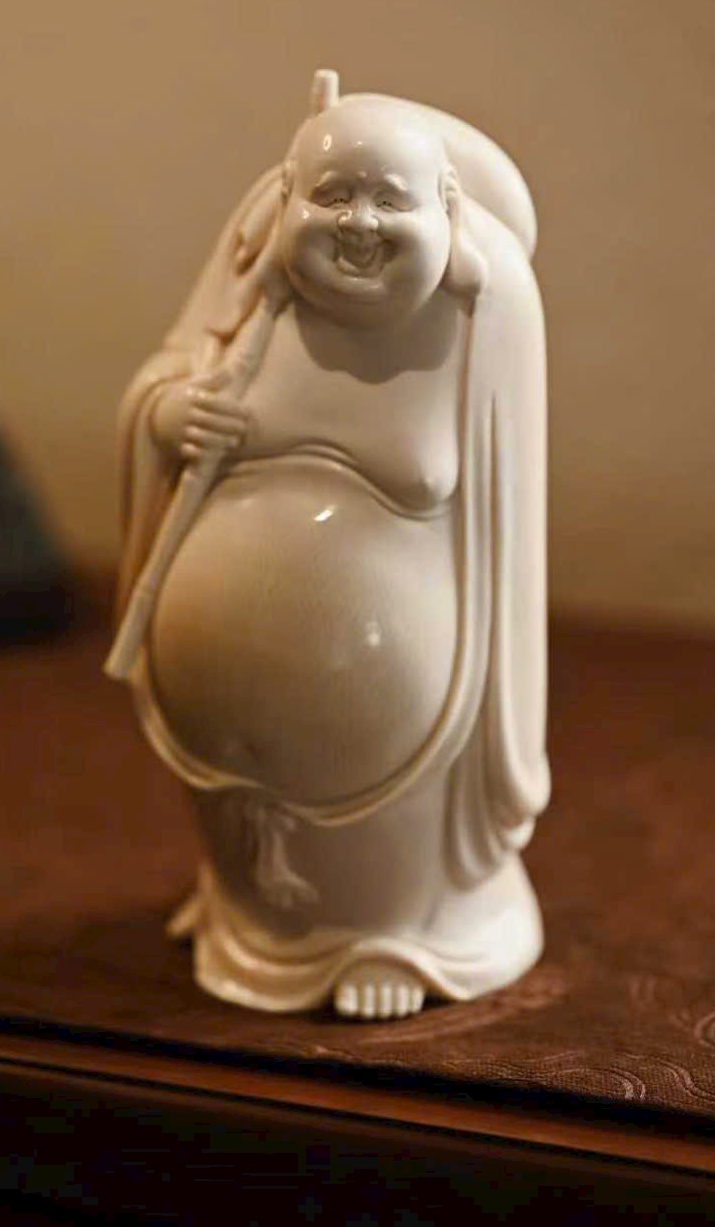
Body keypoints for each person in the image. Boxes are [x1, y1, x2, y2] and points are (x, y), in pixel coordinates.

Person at [112, 71, 548, 1018]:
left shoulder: (480, 312)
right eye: (333, 196)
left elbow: (510, 509)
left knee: (391, 847)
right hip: (220, 707)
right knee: (253, 853)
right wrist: (171, 415)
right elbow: (163, 381)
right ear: (286, 198)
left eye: (390, 201)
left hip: (406, 721)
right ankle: (248, 914)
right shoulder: (255, 279)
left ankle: (395, 934)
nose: (359, 225)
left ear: (445, 209)